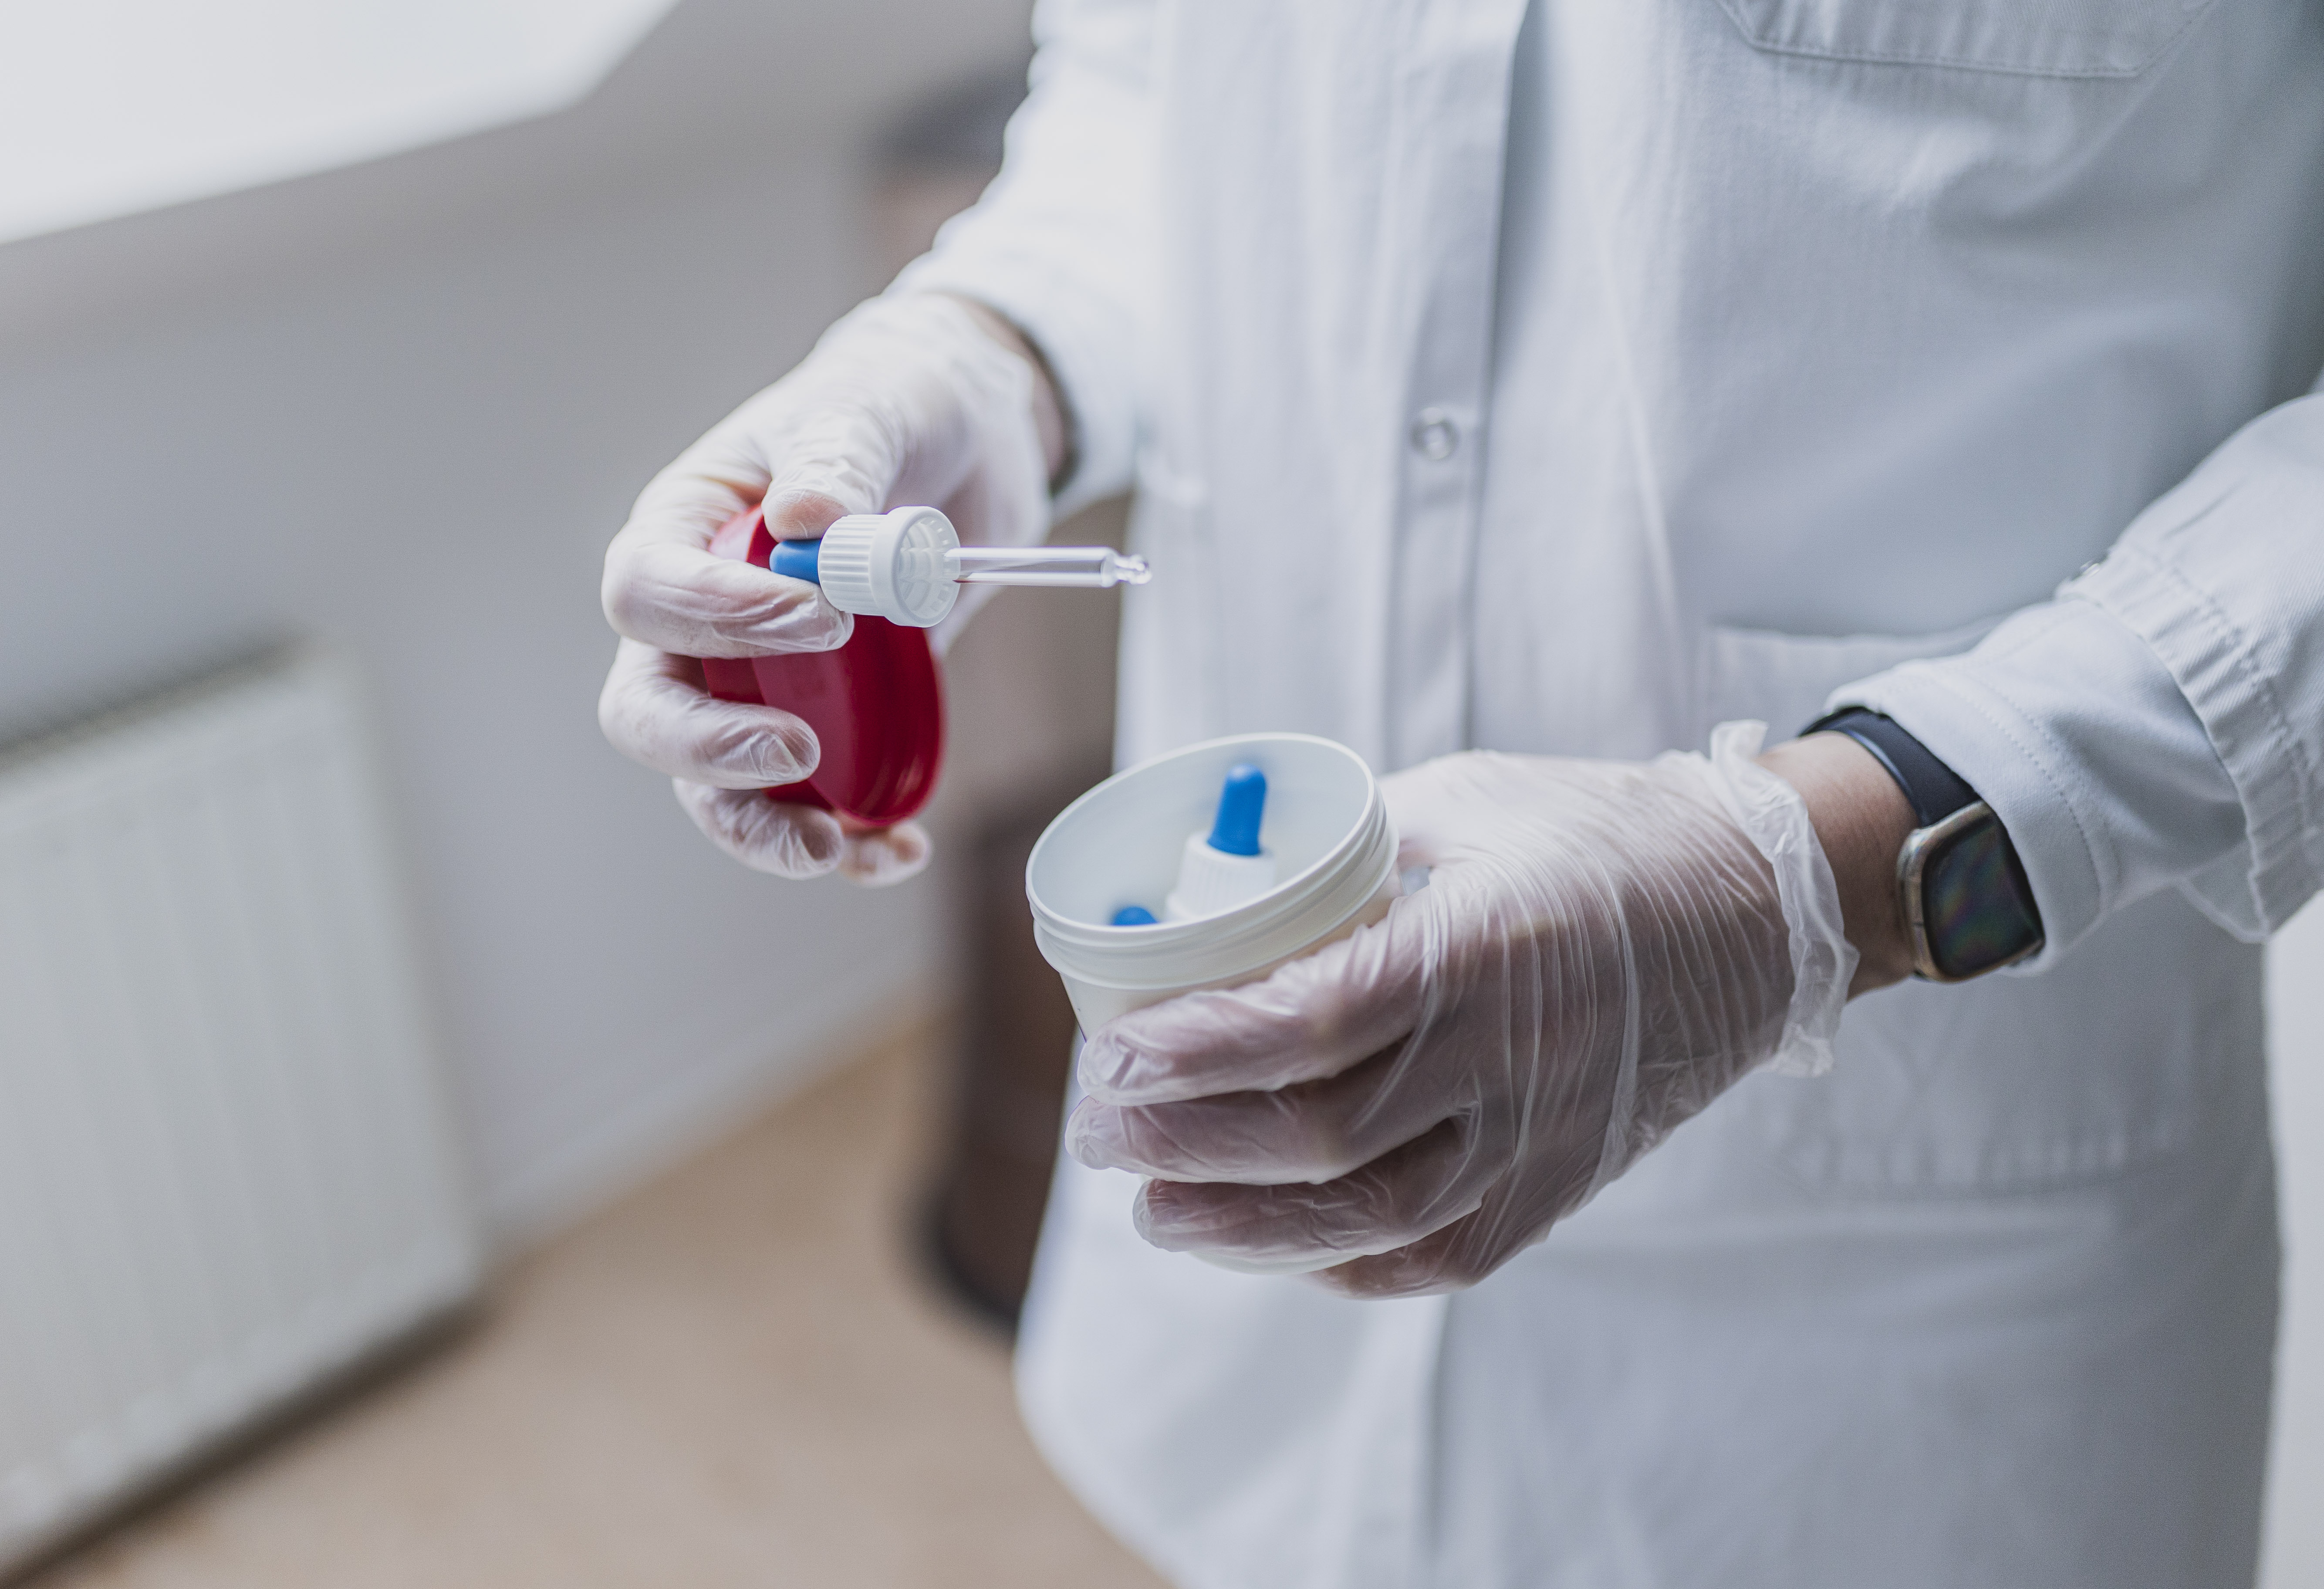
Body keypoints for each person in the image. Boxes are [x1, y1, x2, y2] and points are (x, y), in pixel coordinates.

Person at [598, 3, 2324, 1583]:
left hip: (1910, 1305)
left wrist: (1805, 881)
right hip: (1259, 1334)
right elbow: (1152, 97)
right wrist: (981, 362)